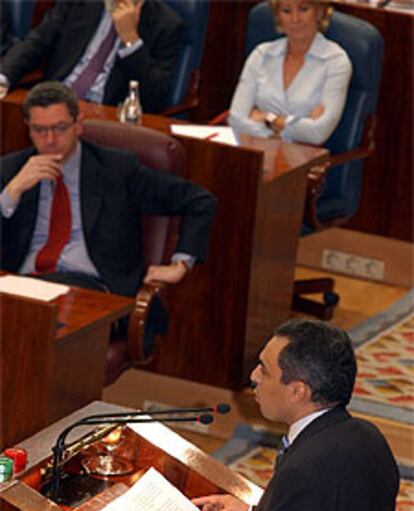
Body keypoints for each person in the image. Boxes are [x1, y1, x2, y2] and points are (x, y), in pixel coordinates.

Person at [156, 319, 400, 511]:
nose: (254, 377)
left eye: (264, 370)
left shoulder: (306, 468)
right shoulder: (368, 438)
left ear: (297, 391)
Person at [0, 81, 216, 323]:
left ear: (78, 125)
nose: (50, 139)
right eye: (39, 130)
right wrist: (12, 192)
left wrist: (180, 265)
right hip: (22, 287)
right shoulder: (12, 171)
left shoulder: (116, 170)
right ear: (28, 129)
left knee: (38, 333)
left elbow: (199, 200)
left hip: (91, 290)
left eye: (60, 128)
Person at [0, 0, 183, 112]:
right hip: (54, 102)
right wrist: (3, 77)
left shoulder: (165, 24)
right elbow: (37, 41)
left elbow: (156, 96)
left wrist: (131, 41)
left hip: (105, 117)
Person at [228, 0, 352, 145]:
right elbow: (236, 118)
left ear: (319, 12)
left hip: (304, 162)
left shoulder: (336, 61)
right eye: (286, 11)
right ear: (278, 16)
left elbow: (318, 133)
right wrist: (280, 135)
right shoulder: (261, 55)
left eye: (303, 9)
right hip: (255, 154)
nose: (295, 19)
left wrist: (268, 118)